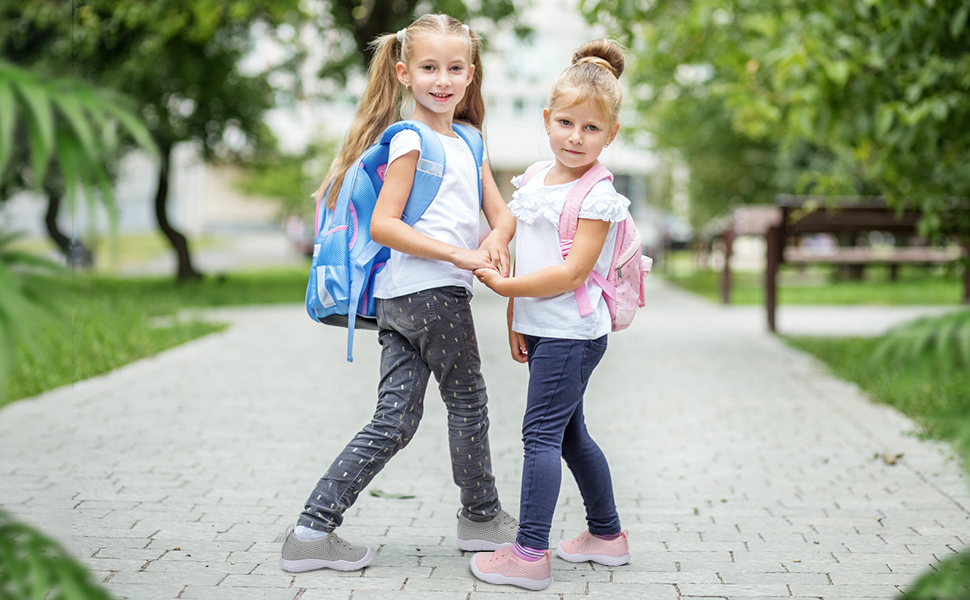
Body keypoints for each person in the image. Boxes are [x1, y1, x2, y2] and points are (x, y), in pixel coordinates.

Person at [279, 14, 518, 573]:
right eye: (430, 67)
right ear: (404, 73)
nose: (443, 79)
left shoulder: (470, 140)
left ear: (471, 74)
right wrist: (462, 254)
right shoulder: (411, 139)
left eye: (455, 68)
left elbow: (500, 215)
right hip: (432, 294)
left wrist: (498, 241)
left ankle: (311, 531)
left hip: (404, 300)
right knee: (468, 404)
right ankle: (481, 518)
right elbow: (386, 225)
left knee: (394, 420)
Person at [469, 39, 632, 590]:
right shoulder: (537, 178)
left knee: (540, 435)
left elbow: (569, 274)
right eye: (565, 123)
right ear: (547, 119)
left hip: (573, 333)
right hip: (543, 328)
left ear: (610, 134)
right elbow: (515, 239)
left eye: (590, 129)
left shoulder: (598, 195)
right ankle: (606, 537)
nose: (575, 137)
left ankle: (530, 552)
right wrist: (515, 311)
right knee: (568, 435)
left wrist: (506, 287)